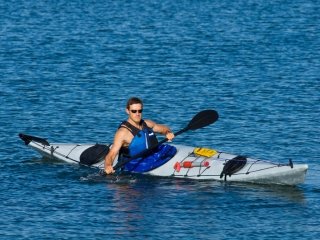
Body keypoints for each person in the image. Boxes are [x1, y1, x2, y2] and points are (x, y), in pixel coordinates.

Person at [104, 97, 175, 174]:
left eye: (140, 111)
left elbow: (163, 128)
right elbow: (112, 154)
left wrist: (168, 132)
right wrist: (108, 166)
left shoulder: (147, 123)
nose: (137, 114)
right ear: (127, 111)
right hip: (133, 163)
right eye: (134, 111)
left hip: (149, 156)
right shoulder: (123, 132)